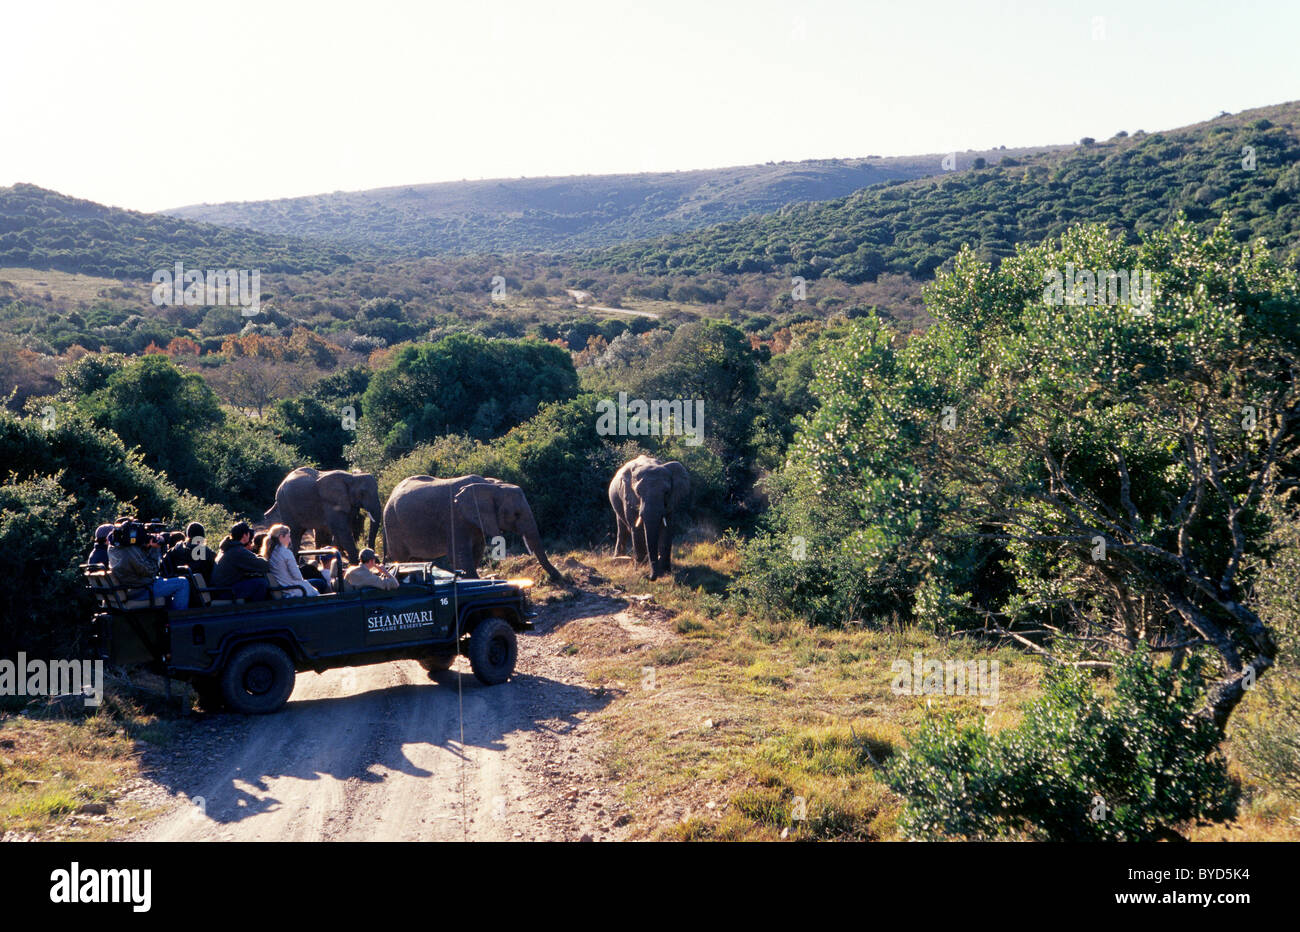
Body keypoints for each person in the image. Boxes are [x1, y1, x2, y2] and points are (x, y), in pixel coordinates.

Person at [107, 521, 190, 611]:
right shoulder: (129, 550)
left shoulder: (113, 548)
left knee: (165, 580)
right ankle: (177, 619)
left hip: (129, 585)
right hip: (139, 589)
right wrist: (155, 548)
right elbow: (151, 571)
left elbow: (136, 563)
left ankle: (166, 616)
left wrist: (145, 547)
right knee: (183, 582)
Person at [211, 521, 271, 602]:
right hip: (225, 592)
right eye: (248, 534)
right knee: (261, 583)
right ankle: (258, 610)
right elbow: (263, 565)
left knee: (255, 581)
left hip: (220, 590)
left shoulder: (227, 548)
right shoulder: (237, 551)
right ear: (244, 535)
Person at [262, 523, 319, 597]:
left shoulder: (270, 553)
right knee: (320, 583)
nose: (290, 540)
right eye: (288, 537)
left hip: (285, 588)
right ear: (281, 537)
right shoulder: (286, 552)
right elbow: (298, 576)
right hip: (294, 589)